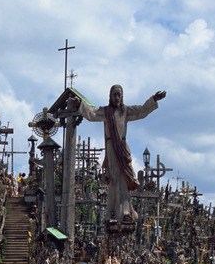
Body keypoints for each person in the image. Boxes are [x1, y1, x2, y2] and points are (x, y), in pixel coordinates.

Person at [70, 85, 165, 227]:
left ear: (122, 96)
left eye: (119, 95)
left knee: (124, 180)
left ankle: (126, 211)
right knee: (114, 179)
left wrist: (153, 100)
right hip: (112, 149)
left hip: (122, 147)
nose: (117, 97)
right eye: (114, 94)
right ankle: (113, 211)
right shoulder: (106, 111)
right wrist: (80, 104)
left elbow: (140, 111)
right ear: (110, 96)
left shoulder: (125, 111)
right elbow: (92, 113)